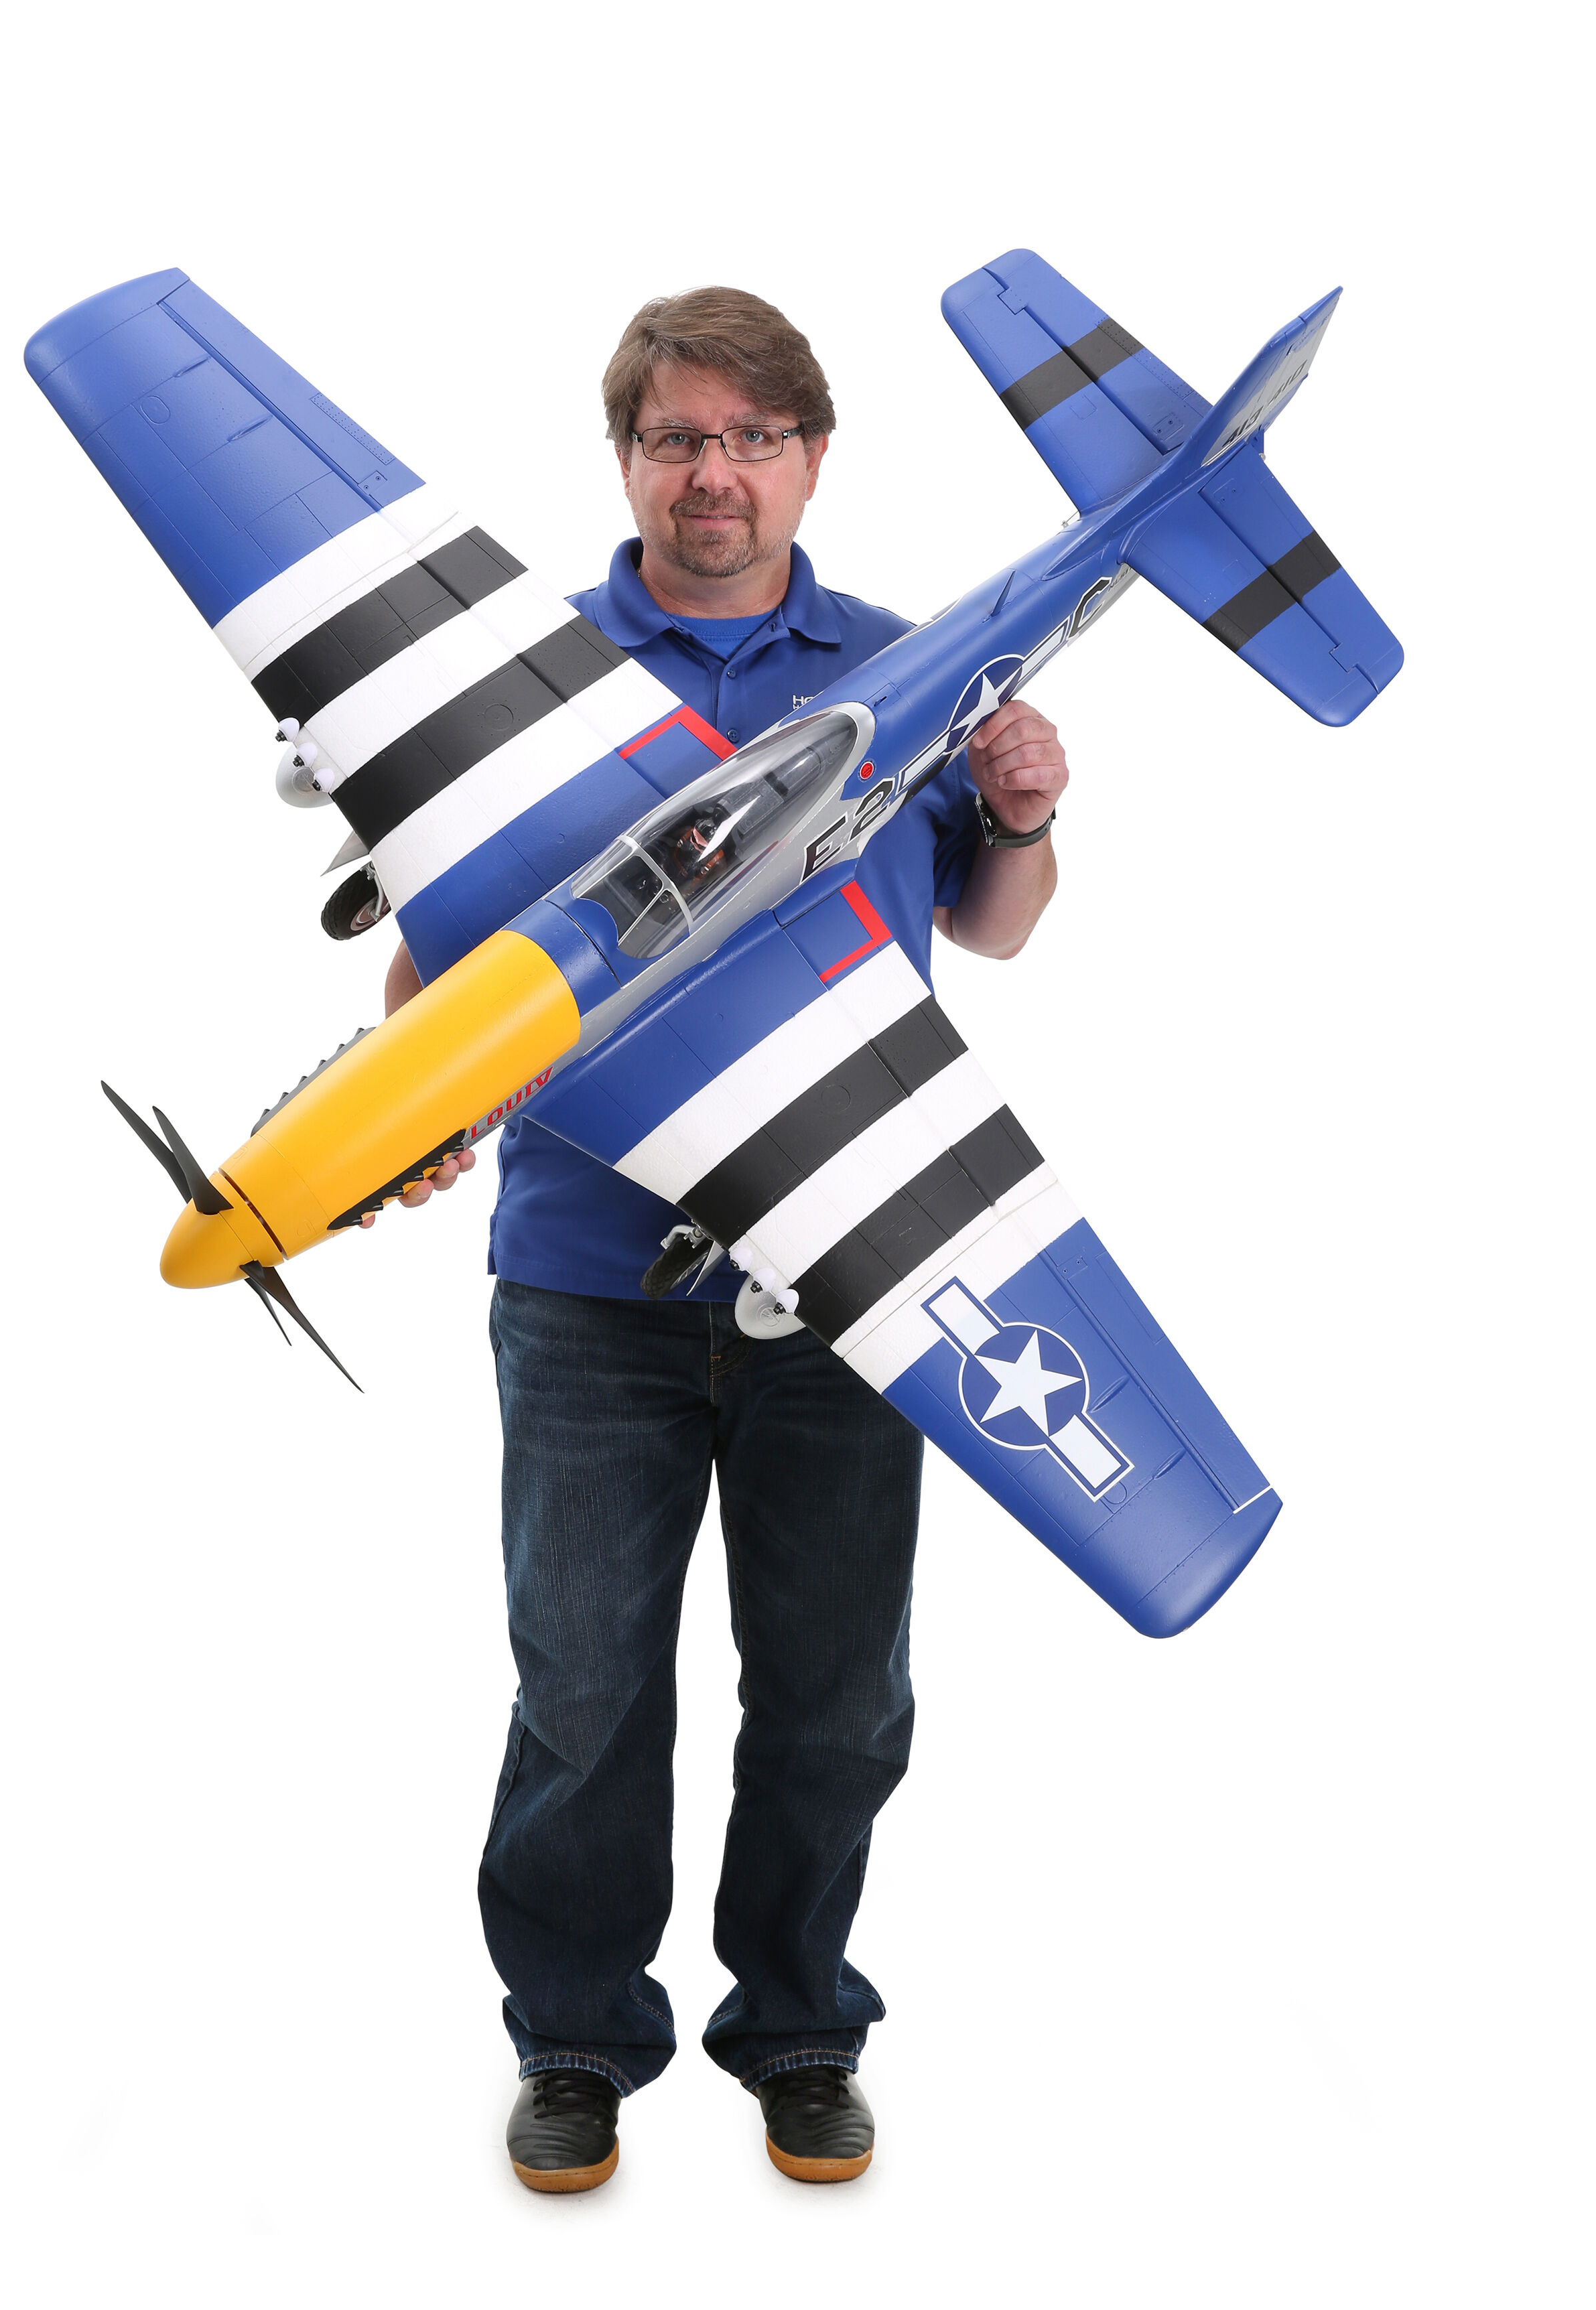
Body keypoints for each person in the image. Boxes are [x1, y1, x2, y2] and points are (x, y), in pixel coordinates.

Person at [373, 288, 1069, 2191]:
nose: (715, 474)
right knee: (582, 1693)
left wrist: (1019, 812)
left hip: (849, 1264)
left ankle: (801, 2029)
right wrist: (409, 1104)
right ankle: (576, 2042)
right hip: (586, 1280)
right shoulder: (530, 672)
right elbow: (437, 971)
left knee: (839, 1696)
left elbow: (992, 927)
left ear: (812, 460)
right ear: (628, 460)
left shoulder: (924, 665)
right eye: (678, 438)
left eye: (754, 439)